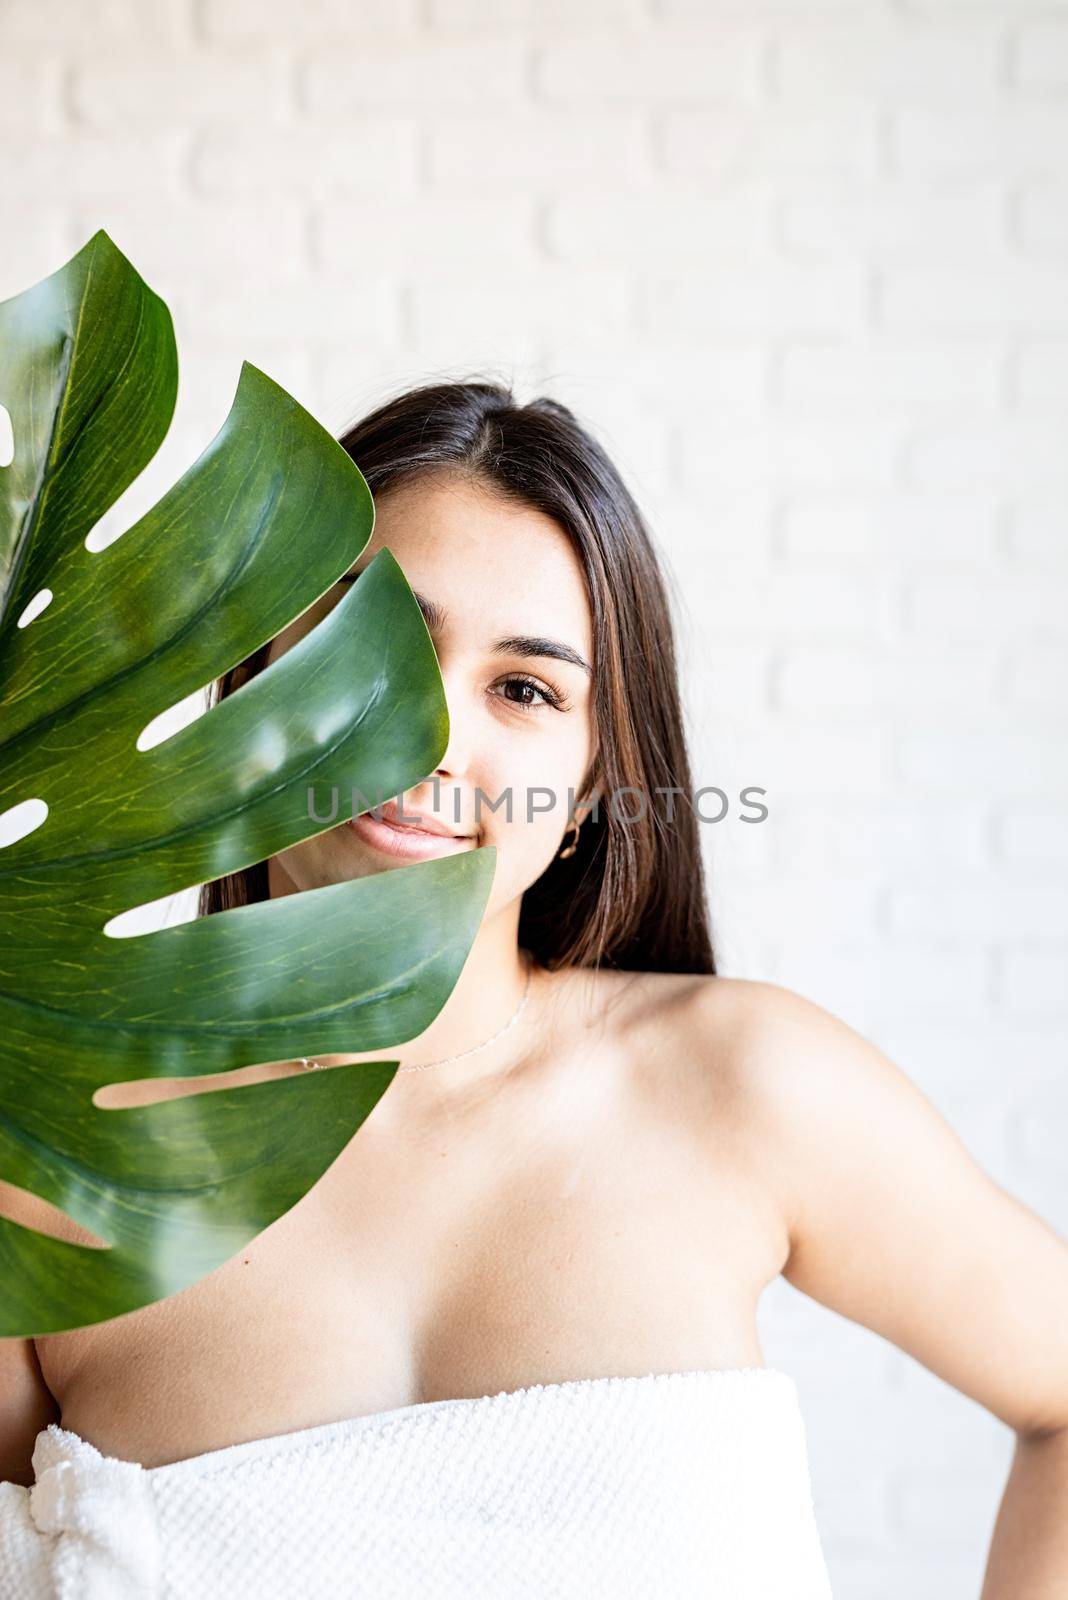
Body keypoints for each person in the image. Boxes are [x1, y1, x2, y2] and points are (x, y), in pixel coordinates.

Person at [1, 381, 1066, 1599]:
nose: (430, 736)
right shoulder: (46, 1159)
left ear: (595, 781)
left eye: (526, 689)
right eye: (377, 639)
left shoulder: (748, 1086)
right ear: (253, 677)